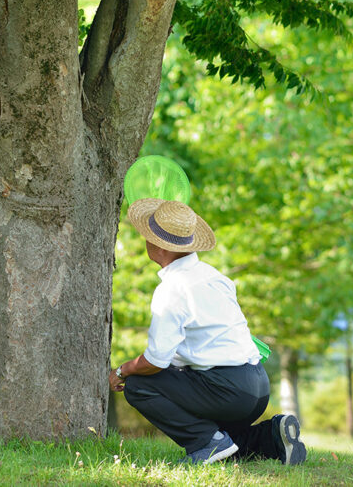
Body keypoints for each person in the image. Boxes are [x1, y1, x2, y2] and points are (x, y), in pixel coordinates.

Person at [108, 198, 307, 466]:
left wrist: (123, 371)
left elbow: (156, 361)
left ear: (158, 245)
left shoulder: (172, 289)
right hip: (257, 386)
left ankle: (205, 443)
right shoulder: (215, 277)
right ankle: (271, 436)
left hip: (227, 391)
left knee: (139, 385)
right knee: (224, 437)